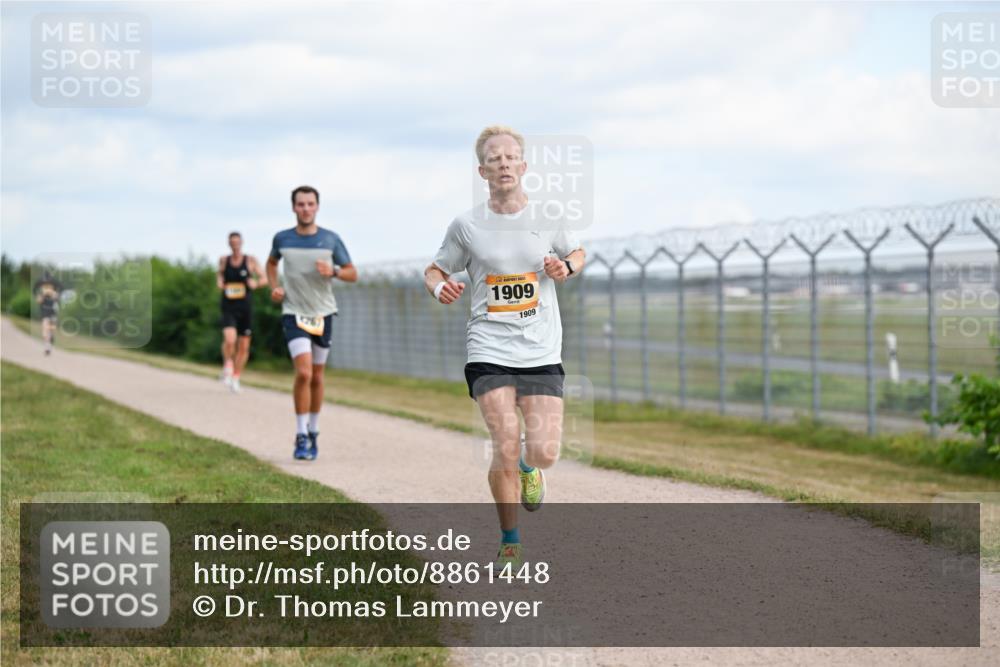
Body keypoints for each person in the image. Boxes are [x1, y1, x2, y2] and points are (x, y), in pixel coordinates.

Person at [424, 126, 586, 567]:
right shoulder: (467, 225)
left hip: (540, 350)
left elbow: (578, 253)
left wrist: (563, 267)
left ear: (523, 166)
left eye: (511, 157)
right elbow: (435, 270)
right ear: (483, 170)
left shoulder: (547, 216)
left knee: (543, 452)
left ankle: (531, 471)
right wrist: (440, 289)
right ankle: (510, 539)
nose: (503, 164)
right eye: (494, 158)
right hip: (488, 347)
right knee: (506, 439)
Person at [266, 185, 357, 460]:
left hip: (323, 313)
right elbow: (271, 264)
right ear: (293, 207)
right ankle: (301, 434)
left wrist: (335, 271)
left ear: (317, 207)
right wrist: (275, 287)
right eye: (300, 204)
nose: (305, 208)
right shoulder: (282, 238)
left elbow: (353, 274)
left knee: (317, 376)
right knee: (303, 373)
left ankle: (314, 430)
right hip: (293, 312)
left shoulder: (330, 239)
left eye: (310, 204)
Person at [217, 232, 268, 393]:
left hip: (245, 307)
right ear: (229, 244)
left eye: (237, 242)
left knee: (243, 346)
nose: (235, 245)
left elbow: (264, 279)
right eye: (232, 243)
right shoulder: (224, 260)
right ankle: (228, 365)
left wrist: (256, 283)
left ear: (242, 243)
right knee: (230, 339)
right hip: (228, 306)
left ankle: (236, 377)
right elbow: (219, 275)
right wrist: (219, 282)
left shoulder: (251, 260)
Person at [33, 272, 62, 356]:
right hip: (45, 313)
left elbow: (57, 298)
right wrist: (43, 295)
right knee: (45, 331)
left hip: (53, 313)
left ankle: (51, 338)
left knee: (51, 329)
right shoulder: (41, 291)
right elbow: (39, 301)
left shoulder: (54, 291)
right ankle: (47, 347)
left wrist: (52, 294)